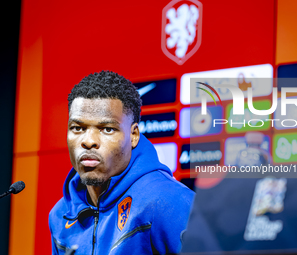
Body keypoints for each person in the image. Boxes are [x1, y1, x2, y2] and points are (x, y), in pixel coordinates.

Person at [49, 71, 195, 255]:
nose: (88, 141)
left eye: (107, 129)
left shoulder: (168, 201)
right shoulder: (60, 215)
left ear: (133, 135)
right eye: (77, 128)